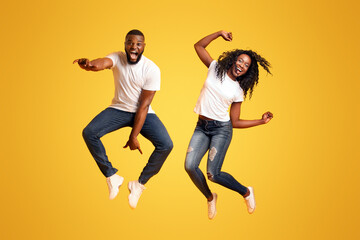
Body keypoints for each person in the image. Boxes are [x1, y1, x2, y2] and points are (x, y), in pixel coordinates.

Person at [73, 29, 173, 209]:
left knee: (166, 145)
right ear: (125, 44)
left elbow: (143, 105)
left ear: (143, 46)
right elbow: (101, 63)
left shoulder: (152, 69)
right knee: (89, 133)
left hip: (143, 113)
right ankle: (112, 176)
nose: (134, 46)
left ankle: (139, 184)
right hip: (118, 110)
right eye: (130, 43)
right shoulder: (117, 57)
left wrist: (134, 136)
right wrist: (88, 65)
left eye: (138, 44)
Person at [184, 30, 273, 219]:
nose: (241, 65)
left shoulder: (238, 90)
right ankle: (210, 197)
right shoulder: (214, 67)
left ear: (248, 71)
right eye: (240, 60)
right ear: (233, 60)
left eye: (246, 65)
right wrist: (218, 33)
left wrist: (260, 121)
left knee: (213, 174)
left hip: (221, 130)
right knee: (190, 166)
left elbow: (235, 122)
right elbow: (198, 46)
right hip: (201, 126)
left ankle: (246, 192)